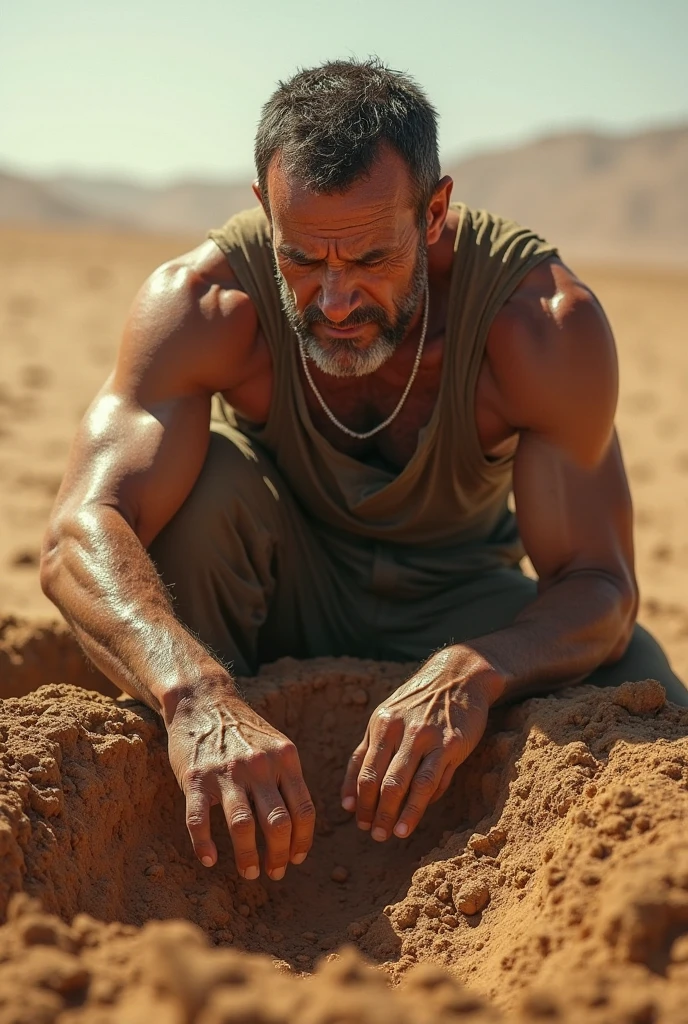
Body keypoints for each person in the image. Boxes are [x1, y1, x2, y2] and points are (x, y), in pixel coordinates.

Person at [41, 58, 686, 887]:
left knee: (648, 699)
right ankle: (204, 820)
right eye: (305, 261)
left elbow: (600, 583)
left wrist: (477, 669)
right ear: (263, 212)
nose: (335, 301)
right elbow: (76, 534)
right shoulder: (205, 303)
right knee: (201, 496)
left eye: (371, 259)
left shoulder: (542, 328)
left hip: (460, 599)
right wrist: (191, 693)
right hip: (268, 596)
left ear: (436, 214)